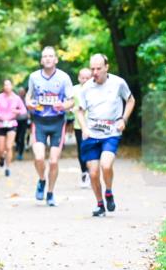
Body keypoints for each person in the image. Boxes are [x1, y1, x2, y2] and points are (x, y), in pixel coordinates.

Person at [78, 53, 135, 217]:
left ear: (106, 67)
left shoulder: (118, 83)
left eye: (98, 68)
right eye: (92, 68)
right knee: (94, 173)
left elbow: (130, 100)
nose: (95, 72)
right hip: (92, 134)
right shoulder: (86, 87)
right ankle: (100, 204)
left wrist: (123, 119)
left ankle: (108, 192)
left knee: (106, 165)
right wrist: (84, 128)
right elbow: (80, 111)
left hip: (111, 132)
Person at [26, 46, 74, 206]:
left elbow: (71, 100)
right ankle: (41, 180)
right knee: (39, 157)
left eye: (50, 56)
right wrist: (29, 104)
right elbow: (28, 96)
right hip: (39, 122)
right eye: (45, 56)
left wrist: (64, 105)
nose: (47, 58)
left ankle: (50, 193)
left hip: (57, 122)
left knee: (53, 161)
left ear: (56, 59)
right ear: (41, 60)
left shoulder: (64, 78)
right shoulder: (34, 77)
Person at [0, 78, 27, 177]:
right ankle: (2, 157)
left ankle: (8, 167)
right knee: (1, 148)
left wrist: (17, 112)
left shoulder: (17, 98)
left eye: (9, 85)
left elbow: (24, 110)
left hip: (12, 123)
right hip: (1, 124)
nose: (7, 87)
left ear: (12, 86)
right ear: (3, 87)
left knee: (9, 146)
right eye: (5, 85)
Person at [71, 67, 92, 188]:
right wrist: (70, 108)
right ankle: (84, 172)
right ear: (79, 78)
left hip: (94, 125)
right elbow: (69, 103)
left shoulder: (96, 89)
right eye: (82, 77)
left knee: (92, 149)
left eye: (87, 78)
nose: (84, 80)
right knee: (82, 150)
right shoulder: (74, 90)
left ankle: (92, 172)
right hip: (79, 125)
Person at [14, 86, 30, 160]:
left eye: (22, 92)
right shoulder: (15, 100)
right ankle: (17, 145)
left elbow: (30, 108)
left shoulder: (27, 100)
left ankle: (20, 153)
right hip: (16, 120)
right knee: (16, 137)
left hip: (24, 120)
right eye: (20, 92)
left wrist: (29, 114)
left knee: (22, 137)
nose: (21, 93)